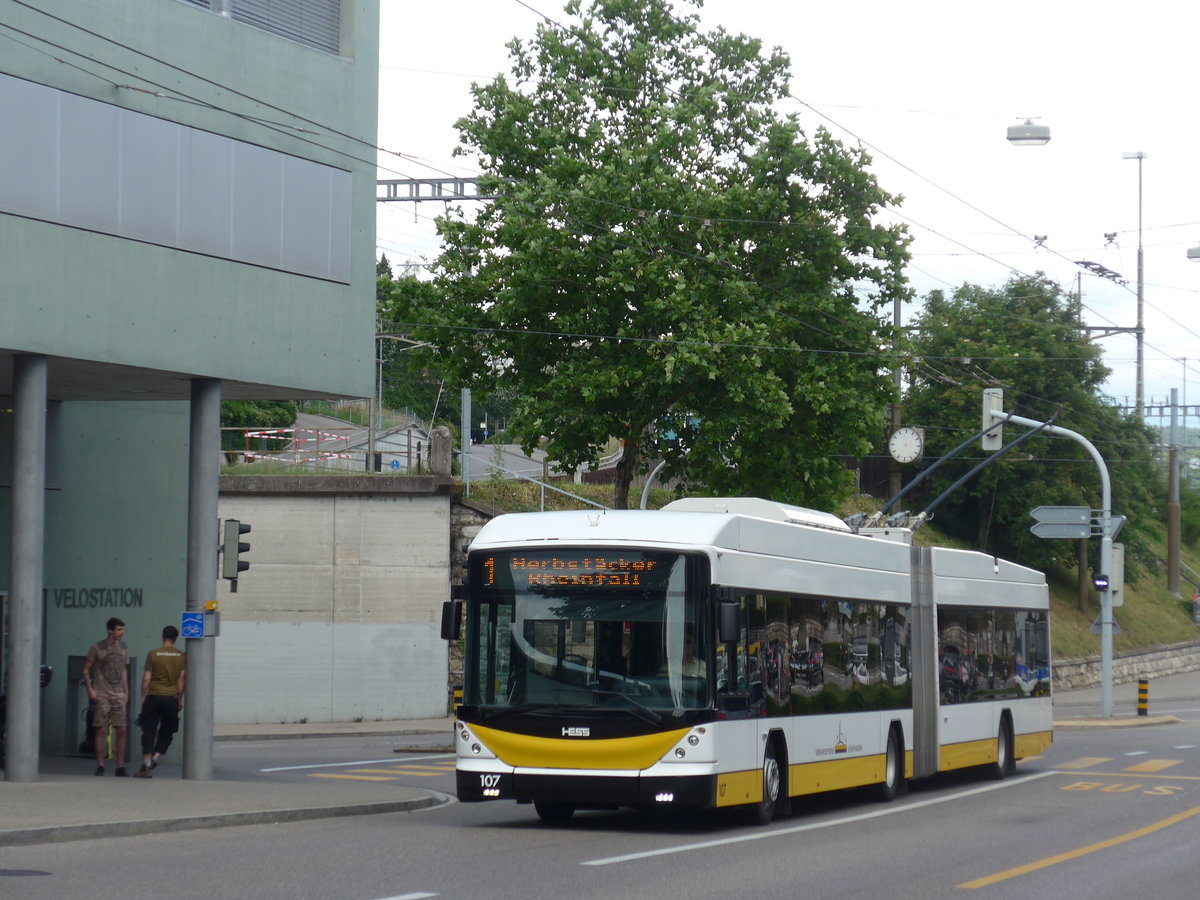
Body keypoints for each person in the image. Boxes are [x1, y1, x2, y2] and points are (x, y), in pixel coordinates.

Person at [132, 625, 187, 778]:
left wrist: (143, 696)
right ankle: (156, 757)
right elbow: (182, 680)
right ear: (175, 639)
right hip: (171, 698)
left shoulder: (153, 654)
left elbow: (146, 678)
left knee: (149, 729)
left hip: (154, 696)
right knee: (167, 730)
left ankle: (147, 762)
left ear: (162, 636)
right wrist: (179, 699)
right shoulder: (182, 656)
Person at [82, 617, 130, 776]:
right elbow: (85, 670)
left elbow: (123, 670)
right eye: (118, 629)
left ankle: (120, 765)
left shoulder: (123, 647)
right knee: (101, 728)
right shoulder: (97, 647)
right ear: (110, 630)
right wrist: (90, 689)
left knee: (121, 729)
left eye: (122, 629)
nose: (121, 632)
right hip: (101, 693)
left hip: (118, 693)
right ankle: (100, 763)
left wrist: (126, 692)